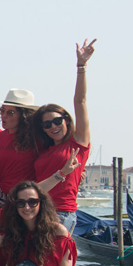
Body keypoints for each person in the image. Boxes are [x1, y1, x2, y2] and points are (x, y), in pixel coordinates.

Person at [34, 40, 97, 231]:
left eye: (57, 121)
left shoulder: (77, 144)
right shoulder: (44, 150)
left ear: (66, 121)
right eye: (47, 124)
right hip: (38, 210)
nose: (53, 126)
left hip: (61, 213)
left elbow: (80, 101)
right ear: (43, 129)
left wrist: (81, 66)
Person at [0, 89, 39, 207]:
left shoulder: (37, 138)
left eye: (10, 112)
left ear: (24, 116)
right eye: (2, 110)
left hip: (27, 199)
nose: (3, 115)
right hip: (3, 197)